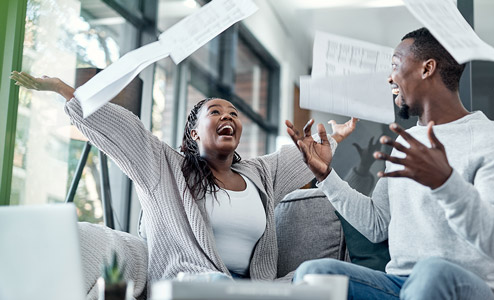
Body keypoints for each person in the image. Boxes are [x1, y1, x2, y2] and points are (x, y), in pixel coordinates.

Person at [9, 71, 357, 282]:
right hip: (190, 286)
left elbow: (303, 155)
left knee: (314, 279)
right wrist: (62, 89)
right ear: (193, 133)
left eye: (234, 113)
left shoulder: (261, 174)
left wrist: (334, 137)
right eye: (216, 111)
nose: (228, 116)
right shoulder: (163, 167)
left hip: (250, 289)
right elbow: (120, 129)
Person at [290, 27, 494, 300]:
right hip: (400, 286)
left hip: (466, 287)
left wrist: (446, 182)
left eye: (395, 65)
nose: (390, 77)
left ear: (427, 68)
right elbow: (377, 224)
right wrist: (327, 176)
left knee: (431, 273)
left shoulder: (491, 137)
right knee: (313, 273)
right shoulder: (405, 143)